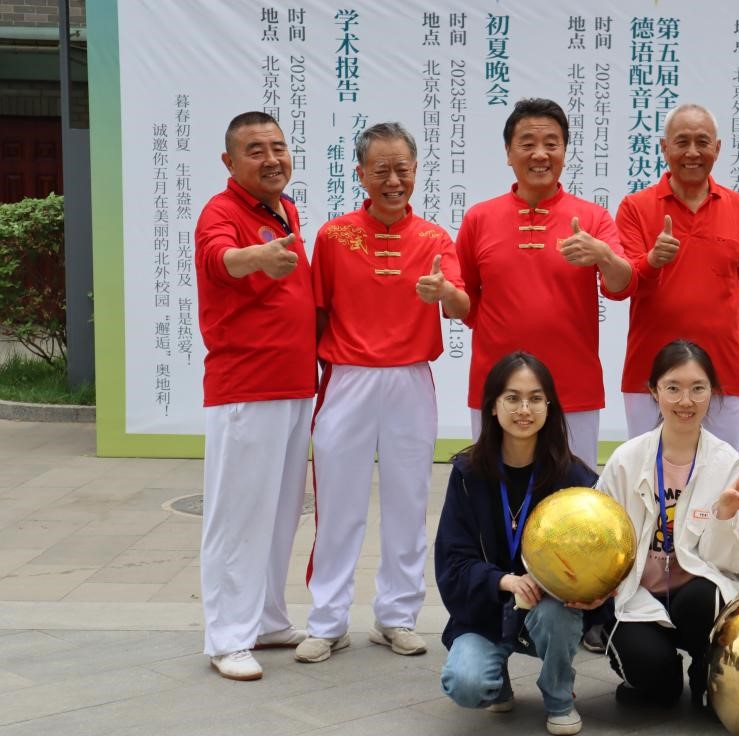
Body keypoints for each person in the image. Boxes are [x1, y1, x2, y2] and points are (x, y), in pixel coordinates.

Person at [295, 122, 469, 665]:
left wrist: (444, 291)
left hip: (410, 379)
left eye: (403, 170)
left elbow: (463, 306)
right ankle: (327, 621)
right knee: (338, 504)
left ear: (416, 171)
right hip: (347, 377)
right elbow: (315, 311)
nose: (394, 180)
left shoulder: (435, 240)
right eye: (382, 170)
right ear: (361, 174)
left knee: (407, 501)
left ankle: (396, 617)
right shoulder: (334, 237)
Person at [193, 111, 315, 680]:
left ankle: (265, 618)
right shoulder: (221, 212)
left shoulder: (283, 209)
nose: (271, 159)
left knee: (279, 512)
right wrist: (256, 258)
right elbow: (220, 259)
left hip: (294, 384)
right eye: (255, 150)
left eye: (278, 147)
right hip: (247, 386)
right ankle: (227, 637)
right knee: (238, 515)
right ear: (230, 161)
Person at [456, 98, 634, 468]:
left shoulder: (593, 217)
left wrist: (603, 254)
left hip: (572, 392)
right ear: (508, 152)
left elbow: (621, 286)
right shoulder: (479, 218)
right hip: (498, 391)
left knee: (574, 497)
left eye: (551, 144)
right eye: (527, 144)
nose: (540, 154)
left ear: (565, 151)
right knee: (495, 490)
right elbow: (466, 303)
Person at [597, 340, 739, 709]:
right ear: (654, 391)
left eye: (697, 389)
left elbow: (729, 564)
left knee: (705, 598)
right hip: (639, 592)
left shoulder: (727, 464)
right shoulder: (626, 460)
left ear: (712, 392)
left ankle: (706, 672)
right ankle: (662, 673)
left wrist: (724, 515)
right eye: (673, 388)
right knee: (654, 687)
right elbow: (599, 534)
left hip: (695, 594)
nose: (685, 401)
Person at [436, 352, 599, 736]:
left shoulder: (574, 478)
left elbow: (597, 558)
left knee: (558, 617)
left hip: (547, 609)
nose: (524, 409)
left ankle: (559, 695)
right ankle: (497, 680)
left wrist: (582, 588)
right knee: (467, 685)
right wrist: (503, 581)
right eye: (512, 398)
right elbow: (453, 560)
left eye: (535, 398)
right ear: (493, 407)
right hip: (486, 611)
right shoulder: (467, 474)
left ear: (549, 406)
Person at [615, 103, 739, 451]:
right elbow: (625, 281)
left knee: (722, 474)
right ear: (664, 148)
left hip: (722, 375)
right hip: (649, 375)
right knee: (646, 473)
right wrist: (652, 260)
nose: (692, 152)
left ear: (717, 149)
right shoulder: (635, 207)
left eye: (702, 142)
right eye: (682, 142)